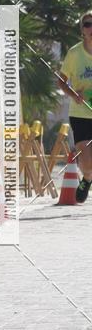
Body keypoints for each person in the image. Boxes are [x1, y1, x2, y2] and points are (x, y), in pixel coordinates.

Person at [57, 10, 92, 202]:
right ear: (82, 30)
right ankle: (87, 178)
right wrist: (73, 94)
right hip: (80, 114)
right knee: (86, 162)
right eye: (87, 24)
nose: (91, 28)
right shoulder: (74, 53)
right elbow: (61, 81)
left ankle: (87, 178)